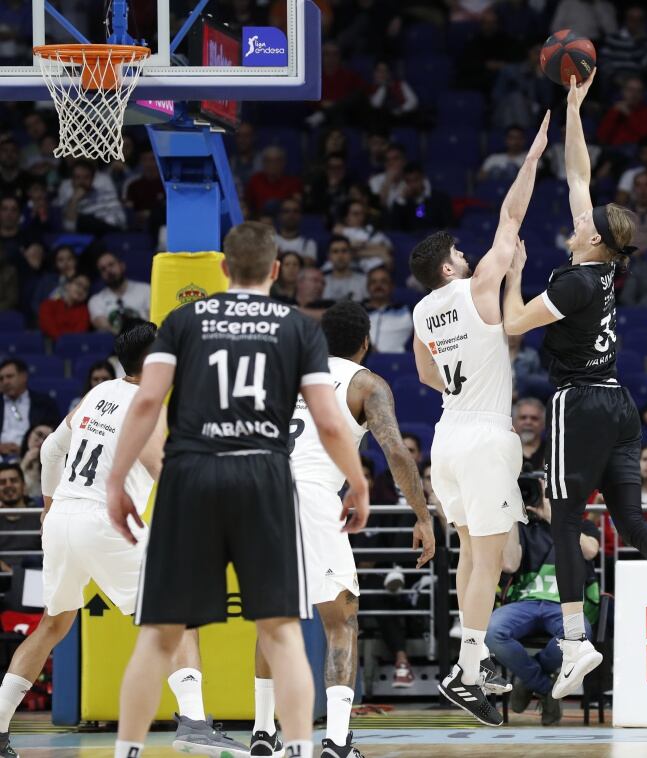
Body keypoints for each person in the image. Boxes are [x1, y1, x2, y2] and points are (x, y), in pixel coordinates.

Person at [104, 222, 372, 758]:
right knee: (280, 630)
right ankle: (297, 746)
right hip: (261, 478)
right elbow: (331, 422)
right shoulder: (297, 328)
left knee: (160, 633)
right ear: (275, 271)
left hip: (192, 476)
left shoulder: (182, 321)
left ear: (224, 269)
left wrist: (117, 479)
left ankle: (126, 752)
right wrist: (359, 483)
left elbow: (145, 403)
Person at [502, 71, 647, 700]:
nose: (577, 220)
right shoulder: (601, 269)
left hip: (580, 401)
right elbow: (578, 176)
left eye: (585, 222)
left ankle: (574, 644)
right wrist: (575, 108)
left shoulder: (572, 283)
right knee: (626, 513)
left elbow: (515, 322)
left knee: (565, 519)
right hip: (621, 404)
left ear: (595, 237)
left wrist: (514, 271)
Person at [1, 324, 249, 757]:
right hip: (105, 521)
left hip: (63, 519)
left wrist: (48, 505)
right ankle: (194, 723)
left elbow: (48, 452)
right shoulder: (148, 407)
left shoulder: (98, 394)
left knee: (53, 625)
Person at [409, 111, 550, 726]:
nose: (467, 255)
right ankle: (468, 669)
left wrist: (472, 363)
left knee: (471, 553)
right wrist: (535, 155)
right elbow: (511, 218)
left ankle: (468, 664)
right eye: (458, 253)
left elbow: (424, 376)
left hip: (447, 436)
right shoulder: (475, 286)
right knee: (492, 562)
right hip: (488, 434)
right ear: (447, 268)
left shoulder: (420, 312)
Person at [252, 301, 435, 757]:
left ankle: (262, 733)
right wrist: (423, 514)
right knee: (341, 619)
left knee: (275, 620)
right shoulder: (365, 383)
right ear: (365, 343)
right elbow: (395, 452)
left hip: (261, 493)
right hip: (312, 497)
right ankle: (336, 741)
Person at [489, 484, 601, 727]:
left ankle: (528, 680)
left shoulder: (579, 523)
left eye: (548, 494)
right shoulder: (522, 526)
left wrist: (554, 516)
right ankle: (546, 688)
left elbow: (591, 550)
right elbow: (509, 564)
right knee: (491, 631)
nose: (543, 498)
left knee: (580, 634)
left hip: (565, 604)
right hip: (525, 601)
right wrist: (513, 515)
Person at [0, 359, 59, 462]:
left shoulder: (44, 403)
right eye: (1, 379)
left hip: (34, 455)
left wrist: (25, 448)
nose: (5, 382)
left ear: (23, 377)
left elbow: (54, 431)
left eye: (9, 376)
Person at [88, 252, 153, 335]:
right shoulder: (96, 300)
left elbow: (153, 319)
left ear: (122, 266)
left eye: (111, 265)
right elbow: (103, 327)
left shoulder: (145, 289)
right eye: (103, 269)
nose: (108, 270)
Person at [363, 267, 413, 354]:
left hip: (397, 364)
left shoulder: (408, 311)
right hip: (362, 364)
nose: (378, 285)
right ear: (367, 287)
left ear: (391, 286)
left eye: (383, 282)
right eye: (373, 282)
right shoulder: (358, 314)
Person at [38, 274, 91, 340]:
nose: (81, 289)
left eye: (85, 289)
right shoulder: (47, 305)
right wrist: (62, 341)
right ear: (67, 286)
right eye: (78, 284)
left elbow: (79, 334)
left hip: (73, 348)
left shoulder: (84, 312)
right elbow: (48, 328)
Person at [322, 235, 368, 303]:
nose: (340, 256)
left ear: (351, 254)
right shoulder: (320, 282)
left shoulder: (364, 281)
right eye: (335, 251)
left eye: (344, 251)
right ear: (329, 256)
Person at [17, 424, 51, 499]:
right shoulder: (13, 463)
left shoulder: (53, 468)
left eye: (46, 438)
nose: (41, 441)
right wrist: (25, 462)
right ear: (29, 435)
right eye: (39, 434)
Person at [513, 397, 546, 473]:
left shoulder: (552, 452)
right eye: (523, 418)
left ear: (543, 423)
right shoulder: (505, 451)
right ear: (514, 422)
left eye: (534, 418)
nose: (528, 422)